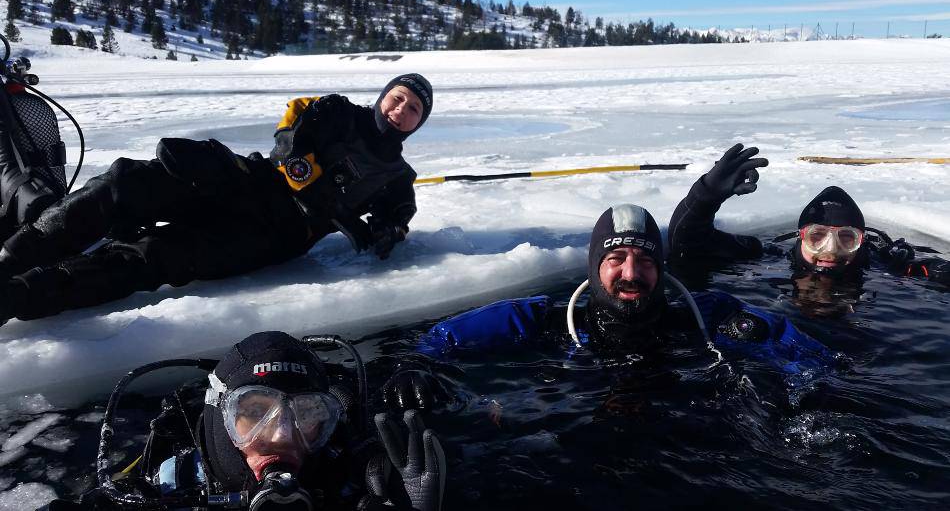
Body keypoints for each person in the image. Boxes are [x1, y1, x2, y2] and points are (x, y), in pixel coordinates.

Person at [0, 74, 433, 324]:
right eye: (398, 98)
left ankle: (17, 296)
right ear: (384, 96)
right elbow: (290, 143)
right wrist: (332, 205)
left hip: (275, 233)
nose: (400, 110)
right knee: (123, 185)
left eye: (413, 109)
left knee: (155, 257)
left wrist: (384, 231)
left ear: (417, 123)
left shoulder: (398, 177)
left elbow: (398, 217)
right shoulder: (334, 110)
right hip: (246, 180)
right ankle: (14, 256)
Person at [383, 203, 838, 411]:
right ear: (594, 267)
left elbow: (801, 348)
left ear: (661, 268)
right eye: (616, 259)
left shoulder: (703, 315)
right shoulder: (548, 320)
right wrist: (413, 364)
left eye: (644, 260)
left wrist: (807, 377)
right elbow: (441, 338)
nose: (630, 272)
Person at [44, 331, 446, 511]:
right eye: (254, 412)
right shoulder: (164, 492)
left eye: (307, 414)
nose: (280, 434)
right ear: (220, 416)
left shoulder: (360, 486)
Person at [666, 144, 950, 315]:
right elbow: (687, 243)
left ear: (861, 242)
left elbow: (930, 271)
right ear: (800, 236)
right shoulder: (767, 257)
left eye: (846, 238)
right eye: (817, 236)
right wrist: (704, 197)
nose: (830, 251)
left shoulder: (886, 265)